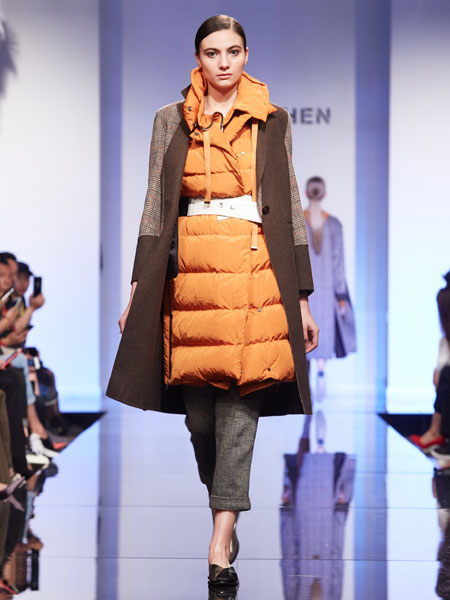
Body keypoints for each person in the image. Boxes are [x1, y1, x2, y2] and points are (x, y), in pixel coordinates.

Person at [107, 14, 318, 590]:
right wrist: (138, 287)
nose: (224, 63)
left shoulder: (272, 120)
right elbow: (155, 204)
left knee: (240, 412)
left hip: (255, 274)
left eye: (233, 51)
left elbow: (289, 208)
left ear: (247, 55)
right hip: (192, 276)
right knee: (201, 418)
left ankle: (221, 536)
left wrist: (301, 296)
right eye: (212, 52)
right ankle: (222, 500)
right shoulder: (170, 119)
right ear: (197, 58)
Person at [303, 176, 356, 383]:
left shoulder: (298, 223)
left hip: (304, 293)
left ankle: (307, 382)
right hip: (326, 293)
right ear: (324, 194)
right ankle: (321, 371)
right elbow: (338, 265)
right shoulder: (334, 225)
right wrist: (341, 296)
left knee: (303, 335)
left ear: (306, 194)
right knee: (323, 331)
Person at [410, 271, 450, 453]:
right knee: (444, 375)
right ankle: (436, 432)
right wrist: (438, 371)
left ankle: (437, 432)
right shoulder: (445, 340)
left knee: (446, 376)